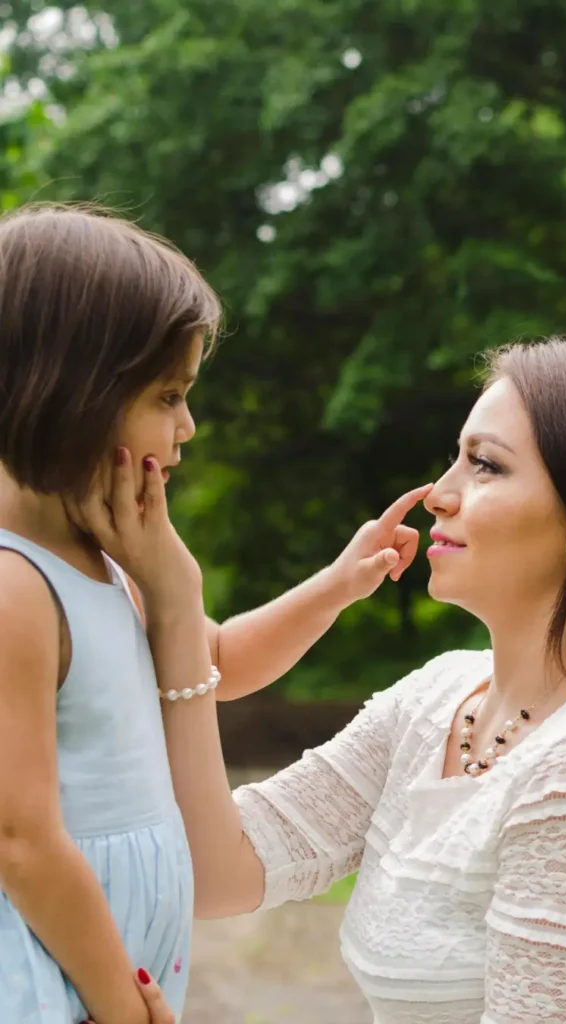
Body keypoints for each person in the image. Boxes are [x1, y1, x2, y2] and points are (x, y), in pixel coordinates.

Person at [93, 337, 566, 1024]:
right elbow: (217, 871)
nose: (439, 496)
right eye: (455, 458)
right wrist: (173, 603)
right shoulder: (436, 699)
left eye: (485, 466)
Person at [0, 204, 426, 1024]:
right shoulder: (18, 587)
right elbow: (20, 840)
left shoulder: (114, 557)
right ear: (67, 390)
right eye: (168, 396)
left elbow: (218, 664)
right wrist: (117, 1002)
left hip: (116, 979)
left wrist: (337, 583)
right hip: (51, 975)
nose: (187, 426)